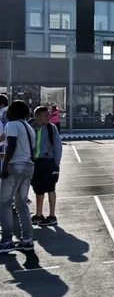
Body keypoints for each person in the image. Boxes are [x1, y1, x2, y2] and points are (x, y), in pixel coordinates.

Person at [0, 100, 36, 252]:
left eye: (8, 111)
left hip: (15, 166)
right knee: (21, 203)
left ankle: (7, 240)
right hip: (28, 166)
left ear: (14, 112)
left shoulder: (12, 124)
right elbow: (28, 150)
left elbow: (12, 145)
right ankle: (27, 238)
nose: (6, 113)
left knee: (4, 202)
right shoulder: (29, 128)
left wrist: (5, 166)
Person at [30, 106, 63, 226]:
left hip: (49, 162)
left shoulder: (51, 128)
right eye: (46, 115)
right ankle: (39, 215)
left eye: (49, 115)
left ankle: (52, 215)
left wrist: (56, 163)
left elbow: (58, 146)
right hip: (35, 162)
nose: (49, 117)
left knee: (50, 188)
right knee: (38, 189)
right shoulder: (30, 127)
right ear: (37, 115)